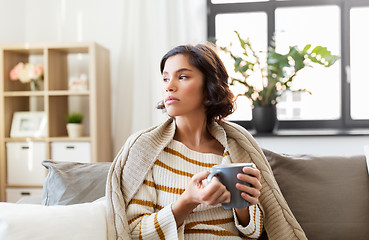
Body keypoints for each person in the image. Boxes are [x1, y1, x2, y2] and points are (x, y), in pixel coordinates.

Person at [106, 43, 307, 240]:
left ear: (208, 85)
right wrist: (188, 201)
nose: (169, 86)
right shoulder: (147, 151)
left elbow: (253, 233)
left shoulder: (234, 149)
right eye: (165, 78)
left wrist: (243, 203)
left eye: (182, 77)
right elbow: (133, 232)